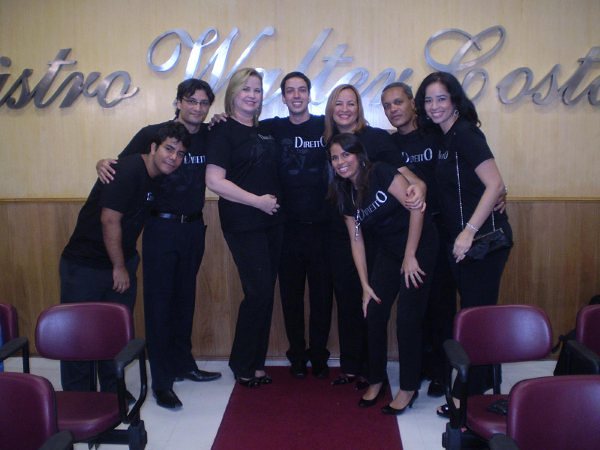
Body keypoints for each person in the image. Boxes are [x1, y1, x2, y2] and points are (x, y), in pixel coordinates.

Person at [96, 79, 222, 410]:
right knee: (159, 307)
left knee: (184, 302)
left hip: (194, 228)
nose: (197, 108)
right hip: (160, 229)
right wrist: (101, 163)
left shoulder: (210, 134)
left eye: (204, 103)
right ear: (178, 102)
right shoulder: (153, 134)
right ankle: (162, 383)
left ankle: (184, 365)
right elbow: (120, 166)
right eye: (191, 101)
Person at [60, 121, 190, 397]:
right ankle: (78, 398)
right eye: (169, 149)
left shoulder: (158, 176)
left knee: (114, 331)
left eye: (180, 154)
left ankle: (112, 391)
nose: (173, 157)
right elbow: (109, 220)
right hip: (85, 265)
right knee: (78, 333)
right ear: (153, 147)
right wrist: (119, 267)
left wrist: (124, 265)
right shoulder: (128, 170)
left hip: (123, 261)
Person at [414, 71, 513, 414]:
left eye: (441, 98)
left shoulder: (467, 134)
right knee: (473, 315)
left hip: (484, 242)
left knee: (476, 318)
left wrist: (469, 231)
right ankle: (479, 386)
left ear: (455, 101)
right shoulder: (444, 136)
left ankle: (471, 395)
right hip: (463, 243)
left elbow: (495, 184)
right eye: (428, 100)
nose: (434, 106)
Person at [323, 84, 426, 389]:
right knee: (349, 298)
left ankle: (372, 370)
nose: (345, 109)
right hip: (343, 228)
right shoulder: (325, 139)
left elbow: (405, 177)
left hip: (380, 234)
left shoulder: (378, 139)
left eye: (351, 103)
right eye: (338, 103)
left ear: (359, 108)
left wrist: (419, 187)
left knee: (374, 302)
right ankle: (351, 366)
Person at [328, 133, 438, 414]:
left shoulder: (381, 172)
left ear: (358, 155)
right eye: (335, 158)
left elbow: (416, 210)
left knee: (407, 319)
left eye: (345, 155)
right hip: (389, 251)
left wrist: (410, 255)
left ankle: (408, 387)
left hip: (419, 245)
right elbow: (356, 240)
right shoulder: (345, 193)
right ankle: (376, 379)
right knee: (374, 312)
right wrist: (365, 285)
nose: (341, 162)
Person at [206, 68, 284, 388]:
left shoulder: (265, 131)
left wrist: (268, 206)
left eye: (257, 90)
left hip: (272, 222)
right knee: (258, 292)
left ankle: (255, 362)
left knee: (265, 294)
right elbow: (214, 181)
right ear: (233, 94)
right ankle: (242, 363)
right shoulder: (222, 131)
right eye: (246, 89)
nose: (252, 95)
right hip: (243, 223)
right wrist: (257, 202)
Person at [381, 82, 457, 397]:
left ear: (413, 103)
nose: (393, 109)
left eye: (398, 102)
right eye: (387, 106)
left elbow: (466, 168)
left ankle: (441, 371)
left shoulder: (436, 134)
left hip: (441, 228)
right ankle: (422, 365)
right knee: (416, 305)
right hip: (407, 234)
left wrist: (500, 191)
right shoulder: (386, 144)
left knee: (441, 304)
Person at [262, 72, 333, 379]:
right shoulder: (271, 128)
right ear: (283, 97)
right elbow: (238, 126)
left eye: (301, 90)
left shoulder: (325, 126)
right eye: (290, 91)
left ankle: (319, 355)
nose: (296, 95)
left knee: (322, 297)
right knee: (290, 297)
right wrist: (219, 118)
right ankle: (297, 356)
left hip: (323, 227)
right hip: (286, 228)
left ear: (309, 94)